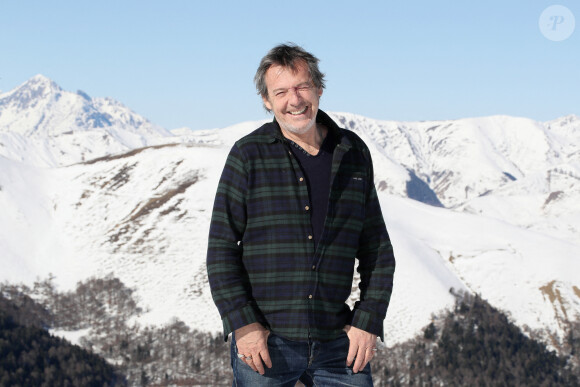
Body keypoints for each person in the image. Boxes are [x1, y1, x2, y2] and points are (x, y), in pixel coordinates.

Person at [207, 43, 396, 386]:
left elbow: (377, 250)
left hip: (339, 344)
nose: (294, 100)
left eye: (302, 87)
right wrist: (244, 324)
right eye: (281, 92)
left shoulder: (352, 152)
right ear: (267, 100)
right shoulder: (248, 155)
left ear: (319, 89)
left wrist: (368, 320)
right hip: (265, 344)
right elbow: (221, 249)